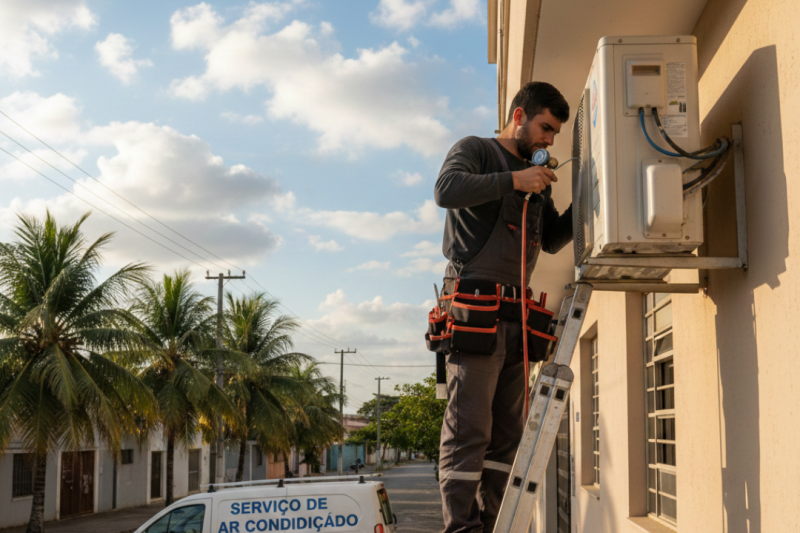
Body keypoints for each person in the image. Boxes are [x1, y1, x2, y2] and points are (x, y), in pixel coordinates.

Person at [433, 81, 573, 533]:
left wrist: (593, 195)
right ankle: (462, 528)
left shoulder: (537, 182)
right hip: (475, 309)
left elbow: (550, 240)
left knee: (507, 436)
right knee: (469, 429)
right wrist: (515, 180)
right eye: (545, 128)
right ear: (519, 116)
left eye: (554, 134)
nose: (550, 140)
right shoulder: (475, 150)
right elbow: (446, 190)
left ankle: (494, 523)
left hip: (515, 320)